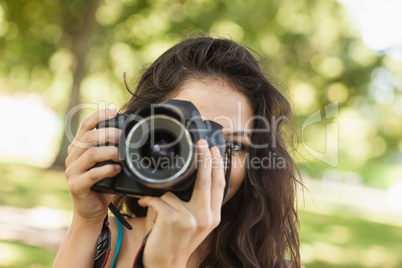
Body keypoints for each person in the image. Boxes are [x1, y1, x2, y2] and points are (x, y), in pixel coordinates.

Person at [53, 34, 302, 267]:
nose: (208, 158)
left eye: (234, 145)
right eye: (183, 137)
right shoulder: (100, 244)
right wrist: (86, 222)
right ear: (136, 135)